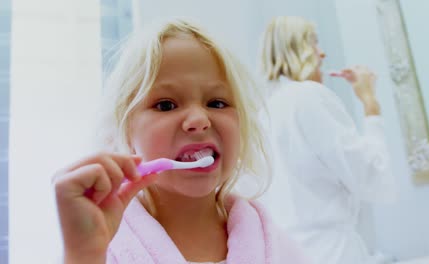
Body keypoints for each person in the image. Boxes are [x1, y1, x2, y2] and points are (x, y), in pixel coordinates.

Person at [53, 19, 309, 264]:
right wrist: (82, 256)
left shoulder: (277, 250)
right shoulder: (99, 247)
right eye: (166, 105)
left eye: (217, 103)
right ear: (125, 131)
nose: (199, 119)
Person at [258, 16, 395, 264]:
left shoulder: (265, 111)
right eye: (314, 43)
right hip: (332, 253)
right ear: (296, 50)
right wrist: (370, 105)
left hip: (286, 254)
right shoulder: (309, 96)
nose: (322, 54)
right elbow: (371, 178)